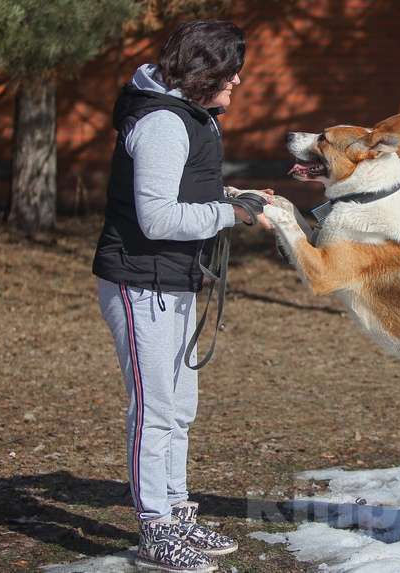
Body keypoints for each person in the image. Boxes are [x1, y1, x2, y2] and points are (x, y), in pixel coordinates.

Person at [92, 21, 269, 573]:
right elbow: (158, 217)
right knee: (154, 408)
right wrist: (230, 214)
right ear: (202, 72)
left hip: (174, 278)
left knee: (179, 406)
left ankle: (176, 509)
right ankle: (155, 529)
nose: (237, 80)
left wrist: (235, 196)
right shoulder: (163, 123)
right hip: (139, 281)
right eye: (230, 71)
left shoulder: (191, 115)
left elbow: (185, 187)